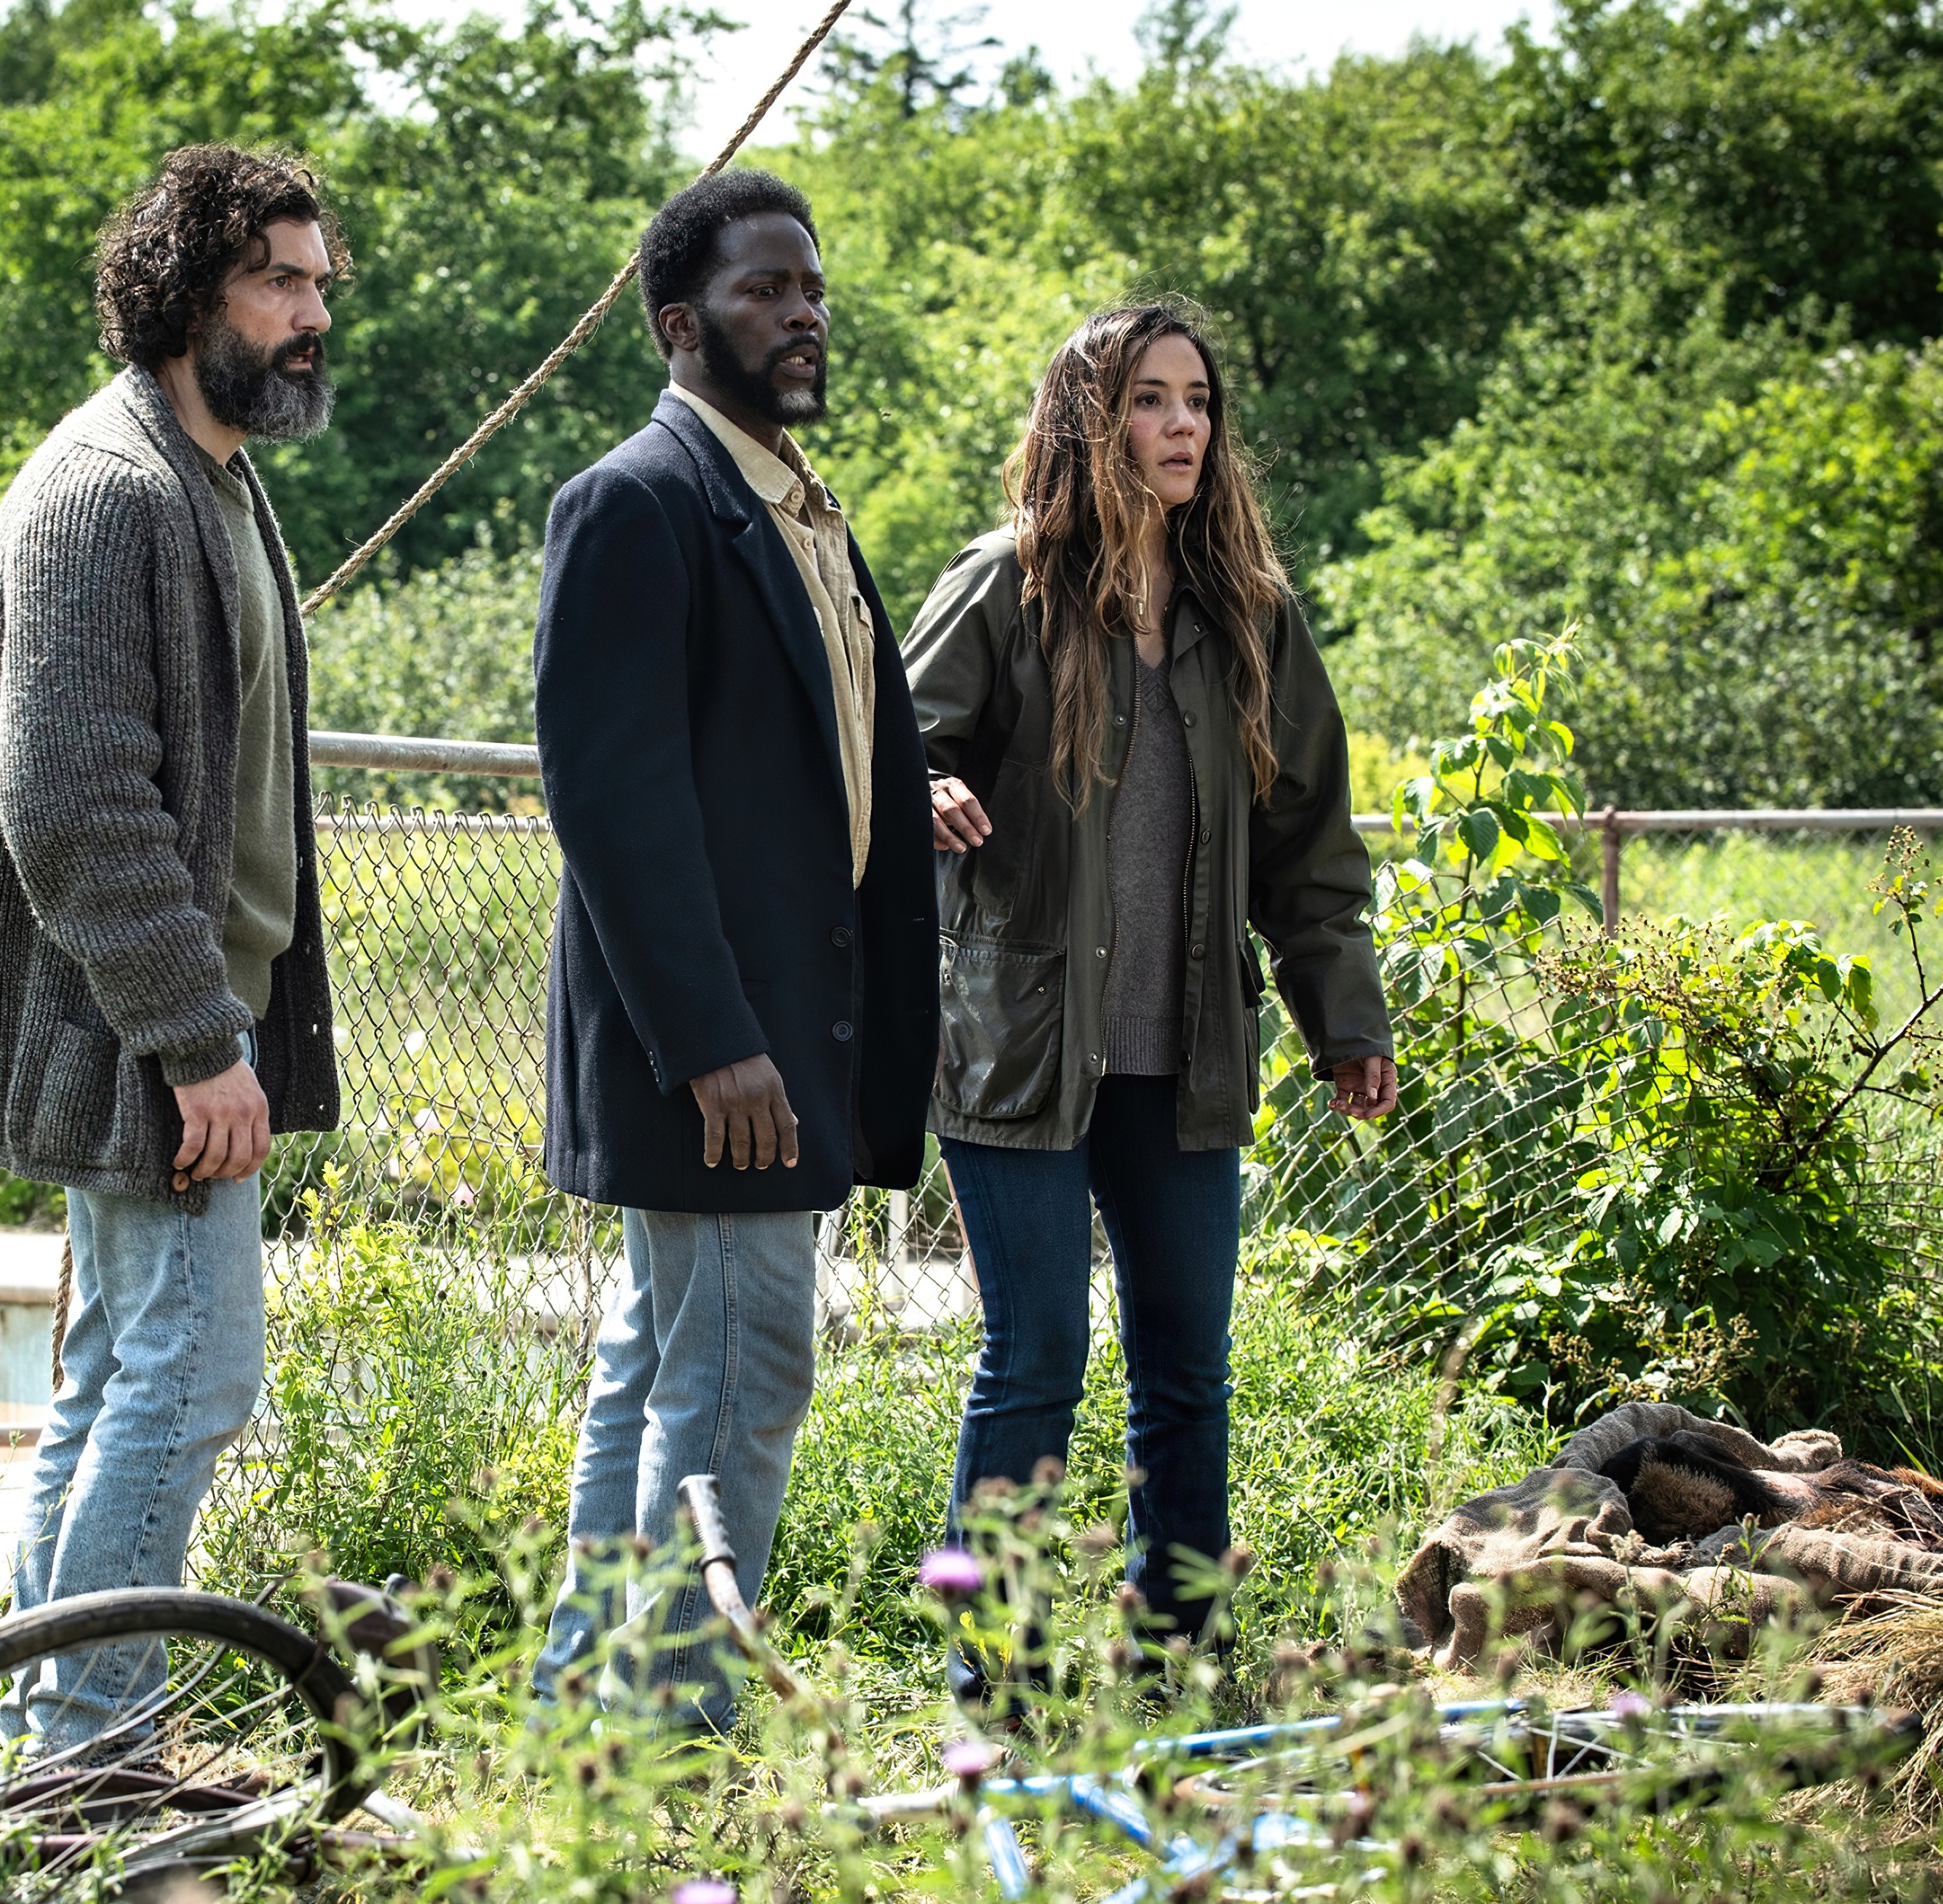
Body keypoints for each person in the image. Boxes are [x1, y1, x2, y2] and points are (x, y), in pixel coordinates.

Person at [904, 300, 1396, 1684]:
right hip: (1018, 1045)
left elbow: (1308, 847)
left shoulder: (1250, 617)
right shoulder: (1003, 587)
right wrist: (923, 786)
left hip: (1186, 1053)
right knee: (1037, 1355)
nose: (1184, 425)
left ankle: (1178, 1656)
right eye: (1149, 400)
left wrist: (1346, 1019)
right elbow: (883, 748)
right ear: (1088, 421)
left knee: (1186, 1365)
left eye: (1199, 401)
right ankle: (993, 1675)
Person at [528, 170, 939, 1727]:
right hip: (720, 1057)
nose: (801, 313)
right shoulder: (635, 502)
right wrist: (713, 1042)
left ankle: (589, 1716)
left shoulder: (803, 511)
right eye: (764, 290)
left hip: (788, 1034)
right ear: (678, 324)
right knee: (738, 1381)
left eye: (810, 287)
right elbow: (613, 799)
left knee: (658, 1371)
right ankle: (672, 1740)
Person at [0, 145, 346, 1742]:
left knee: (120, 1376)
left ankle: (40, 1745)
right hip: (147, 1038)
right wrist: (196, 1040)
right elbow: (68, 799)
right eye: (279, 283)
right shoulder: (104, 489)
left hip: (182, 1026)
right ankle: (93, 1752)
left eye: (319, 283)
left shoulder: (215, 480)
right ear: (188, 297)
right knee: (187, 1381)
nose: (313, 316)